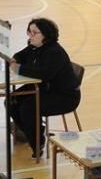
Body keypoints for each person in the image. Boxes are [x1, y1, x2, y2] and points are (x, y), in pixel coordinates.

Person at [7, 18, 81, 156]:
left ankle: (37, 142)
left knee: (27, 107)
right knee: (11, 100)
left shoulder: (54, 52)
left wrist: (19, 69)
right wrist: (15, 59)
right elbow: (21, 55)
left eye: (35, 32)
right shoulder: (35, 45)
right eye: (29, 31)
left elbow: (43, 74)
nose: (30, 35)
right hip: (45, 89)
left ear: (46, 35)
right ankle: (31, 132)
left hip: (64, 96)